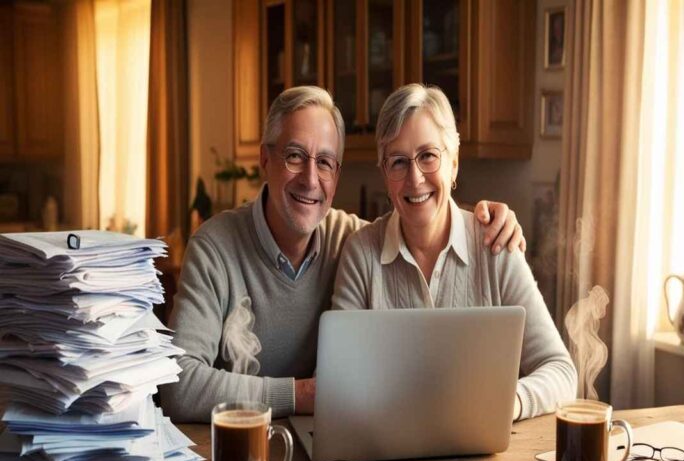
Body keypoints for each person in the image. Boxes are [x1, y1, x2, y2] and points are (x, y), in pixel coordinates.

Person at [162, 86, 526, 423]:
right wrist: (299, 395)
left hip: (320, 459)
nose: (310, 178)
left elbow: (416, 216)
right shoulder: (214, 248)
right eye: (294, 156)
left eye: (325, 162)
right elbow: (178, 386)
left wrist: (484, 220)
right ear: (264, 158)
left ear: (336, 173)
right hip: (238, 453)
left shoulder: (352, 241)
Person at [332, 84, 576, 420]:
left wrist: (509, 401)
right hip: (387, 455)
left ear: (454, 164)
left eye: (428, 156)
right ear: (384, 175)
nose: (415, 178)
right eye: (398, 162)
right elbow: (339, 383)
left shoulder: (495, 245)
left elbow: (561, 371)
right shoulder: (361, 254)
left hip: (483, 455)